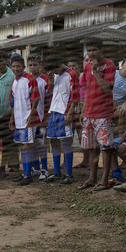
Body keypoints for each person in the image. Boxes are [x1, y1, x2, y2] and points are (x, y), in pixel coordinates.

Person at [77, 38, 117, 191]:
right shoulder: (87, 67)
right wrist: (83, 110)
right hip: (89, 112)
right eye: (89, 51)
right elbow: (86, 89)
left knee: (106, 147)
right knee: (92, 147)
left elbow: (107, 88)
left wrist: (95, 71)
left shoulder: (109, 65)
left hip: (103, 113)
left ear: (101, 50)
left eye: (94, 50)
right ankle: (92, 177)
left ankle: (104, 179)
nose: (92, 53)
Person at [42, 56, 79, 184]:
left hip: (64, 111)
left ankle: (69, 173)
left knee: (65, 141)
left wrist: (69, 113)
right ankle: (56, 171)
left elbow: (75, 95)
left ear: (59, 66)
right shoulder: (56, 76)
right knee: (53, 140)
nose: (55, 73)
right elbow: (52, 92)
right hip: (54, 111)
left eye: (55, 70)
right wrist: (52, 80)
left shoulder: (71, 74)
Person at [9, 54, 41, 186]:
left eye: (18, 66)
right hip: (18, 119)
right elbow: (13, 102)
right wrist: (12, 119)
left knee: (27, 146)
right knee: (22, 146)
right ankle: (24, 173)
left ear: (23, 67)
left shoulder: (30, 79)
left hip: (27, 119)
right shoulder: (14, 81)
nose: (16, 69)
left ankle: (28, 175)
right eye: (14, 66)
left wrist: (32, 115)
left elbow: (35, 99)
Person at [0, 52, 18, 174]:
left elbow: (15, 96)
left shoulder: (12, 75)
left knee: (7, 143)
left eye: (1, 61)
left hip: (7, 115)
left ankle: (3, 166)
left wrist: (11, 111)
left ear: (6, 60)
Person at [27, 54, 50, 179]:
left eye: (35, 65)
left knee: (40, 143)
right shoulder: (26, 79)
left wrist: (46, 116)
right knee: (31, 144)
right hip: (28, 118)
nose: (32, 67)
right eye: (30, 65)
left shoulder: (45, 80)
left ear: (40, 65)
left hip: (40, 117)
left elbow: (48, 100)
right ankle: (35, 168)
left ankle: (44, 169)